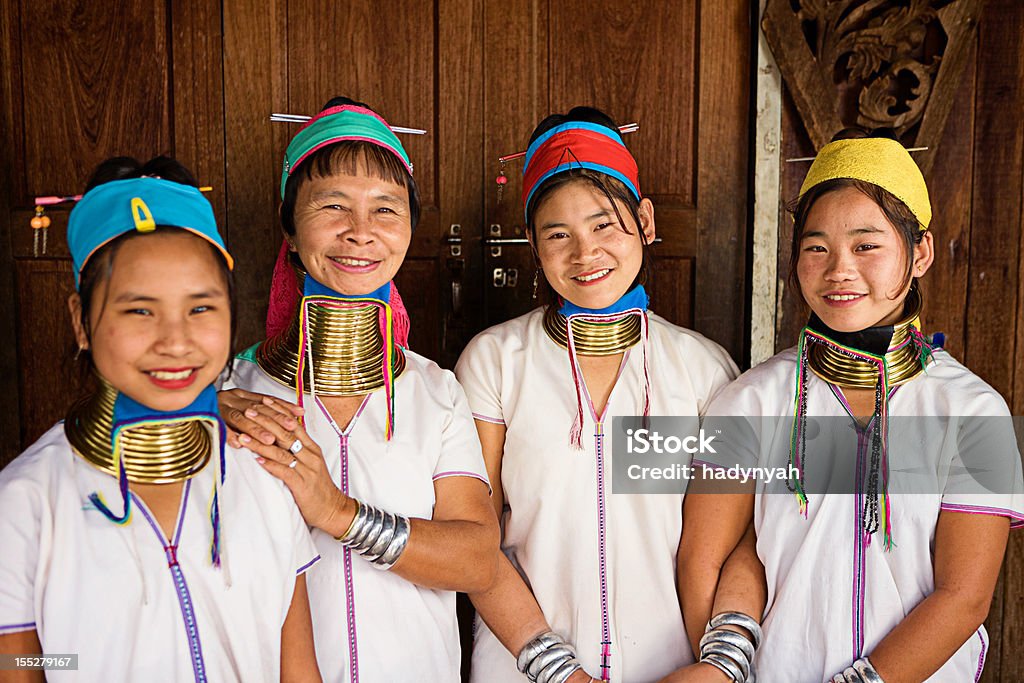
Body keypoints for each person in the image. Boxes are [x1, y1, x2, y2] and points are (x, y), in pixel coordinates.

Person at [684, 129, 1024, 682]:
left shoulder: (973, 412)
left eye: (867, 245)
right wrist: (723, 672)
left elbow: (962, 597)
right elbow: (709, 558)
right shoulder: (751, 400)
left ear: (920, 253)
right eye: (816, 247)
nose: (839, 269)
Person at [0, 156, 321, 682]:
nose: (176, 341)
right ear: (81, 321)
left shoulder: (261, 477)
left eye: (200, 309)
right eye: (139, 310)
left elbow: (298, 672)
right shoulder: (27, 503)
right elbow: (22, 665)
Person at [454, 107, 741, 683]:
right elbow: (472, 534)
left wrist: (721, 665)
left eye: (604, 225)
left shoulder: (705, 369)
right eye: (558, 234)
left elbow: (738, 540)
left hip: (671, 669)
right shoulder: (494, 363)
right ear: (533, 244)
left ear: (646, 220)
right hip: (523, 666)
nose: (585, 254)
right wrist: (554, 668)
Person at [217, 97, 498, 682]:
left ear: (410, 230)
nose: (361, 232)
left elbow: (476, 559)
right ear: (289, 229)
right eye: (332, 206)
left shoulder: (436, 393)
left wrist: (336, 512)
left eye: (386, 210)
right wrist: (201, 410)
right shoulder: (234, 392)